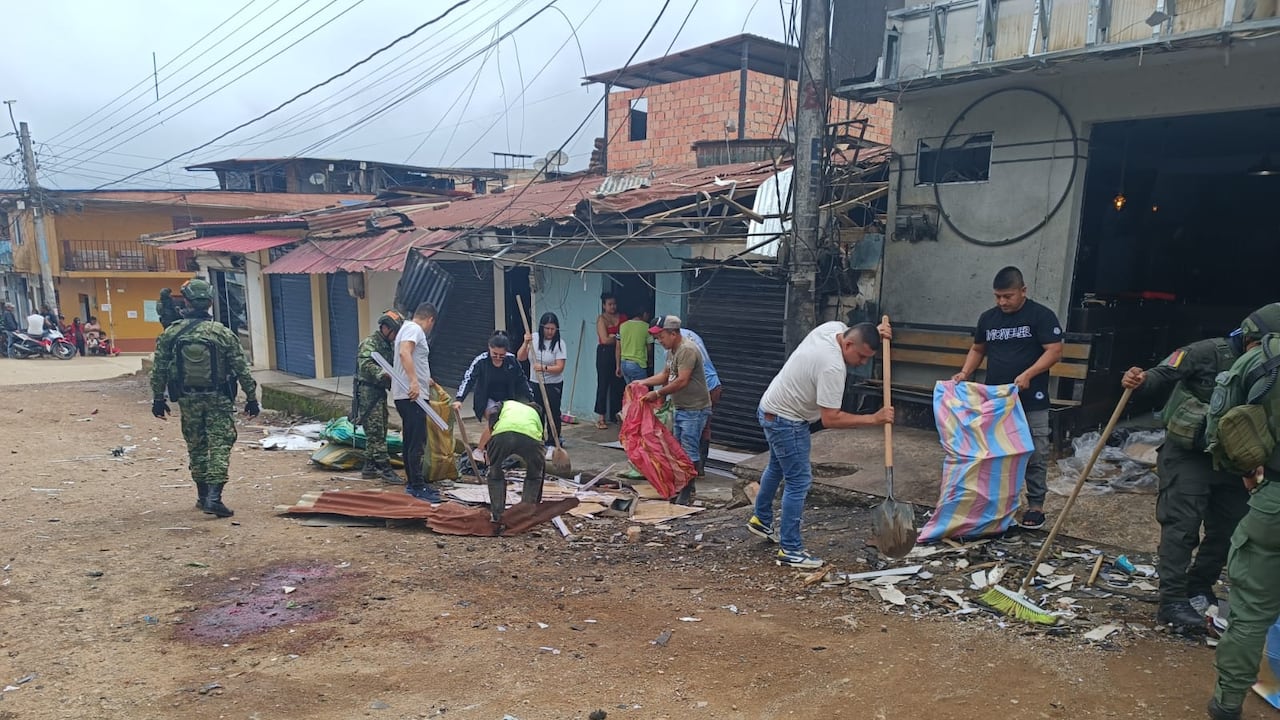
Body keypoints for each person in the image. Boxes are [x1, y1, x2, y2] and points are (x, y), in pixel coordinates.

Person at [1121, 319, 1261, 635]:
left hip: (1233, 458)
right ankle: (1172, 601)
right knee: (1181, 526)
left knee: (1229, 528)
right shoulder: (1207, 352)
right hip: (1189, 455)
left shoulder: (1270, 367)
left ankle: (1200, 586)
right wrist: (1140, 379)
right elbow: (1163, 372)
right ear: (1250, 338)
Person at [749, 320, 894, 569]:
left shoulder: (832, 328)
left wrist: (876, 332)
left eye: (867, 358)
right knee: (799, 481)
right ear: (848, 344)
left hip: (770, 408)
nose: (862, 363)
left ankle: (761, 520)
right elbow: (831, 419)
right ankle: (791, 549)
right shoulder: (832, 367)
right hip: (787, 421)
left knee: (777, 466)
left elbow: (855, 332)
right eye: (861, 356)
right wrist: (874, 418)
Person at [1205, 304, 1280, 720]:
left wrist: (1247, 474)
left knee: (1251, 610)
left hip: (1275, 500)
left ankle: (1228, 702)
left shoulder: (1260, 360)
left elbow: (1222, 425)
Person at [951, 266, 1063, 530]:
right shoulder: (988, 319)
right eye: (998, 296)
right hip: (997, 400)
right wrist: (965, 373)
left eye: (1008, 296)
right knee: (996, 453)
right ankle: (998, 503)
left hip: (1032, 399)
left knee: (1035, 453)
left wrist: (1029, 374)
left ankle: (1035, 505)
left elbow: (1054, 351)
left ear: (1023, 291)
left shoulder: (1041, 316)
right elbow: (978, 349)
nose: (1002, 302)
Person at [149, 279, 259, 518]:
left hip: (187, 399)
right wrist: (251, 398)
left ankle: (202, 496)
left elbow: (159, 369)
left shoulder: (171, 333)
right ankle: (214, 498)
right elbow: (241, 368)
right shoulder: (222, 333)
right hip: (219, 398)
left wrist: (158, 398)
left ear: (186, 301)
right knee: (220, 444)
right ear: (210, 302)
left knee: (196, 445)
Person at [635, 315, 711, 505]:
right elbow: (665, 375)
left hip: (694, 408)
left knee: (688, 450)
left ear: (673, 333)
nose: (659, 341)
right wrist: (642, 382)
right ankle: (683, 487)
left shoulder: (687, 350)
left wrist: (657, 393)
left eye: (661, 336)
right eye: (657, 337)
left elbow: (682, 380)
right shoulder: (672, 351)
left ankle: (687, 491)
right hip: (681, 406)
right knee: (677, 450)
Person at [393, 302, 442, 503]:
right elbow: (405, 352)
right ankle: (417, 486)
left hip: (406, 395)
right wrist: (414, 382)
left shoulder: (406, 328)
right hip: (413, 396)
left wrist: (423, 378)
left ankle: (413, 482)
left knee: (410, 439)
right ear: (430, 319)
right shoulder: (415, 329)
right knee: (417, 441)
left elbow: (411, 357)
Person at [476, 400, 546, 529]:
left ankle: (497, 516)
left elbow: (492, 412)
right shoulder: (535, 414)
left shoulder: (506, 404)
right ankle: (526, 514)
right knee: (534, 474)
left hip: (503, 434)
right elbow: (541, 445)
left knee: (495, 472)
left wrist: (491, 435)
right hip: (531, 438)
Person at [354, 310, 405, 484]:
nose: (396, 336)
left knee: (378, 429)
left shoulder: (388, 345)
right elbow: (365, 364)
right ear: (385, 328)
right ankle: (385, 469)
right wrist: (383, 373)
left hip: (379, 392)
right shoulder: (370, 343)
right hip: (368, 392)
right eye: (394, 332)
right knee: (376, 431)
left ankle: (369, 467)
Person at [454, 331, 535, 421]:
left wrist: (531, 398)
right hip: (487, 398)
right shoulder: (481, 361)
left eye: (502, 355)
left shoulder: (512, 360)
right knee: (493, 418)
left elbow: (522, 380)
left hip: (507, 398)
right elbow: (469, 380)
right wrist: (459, 399)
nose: (498, 357)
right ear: (489, 348)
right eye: (495, 354)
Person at [518, 312, 567, 447]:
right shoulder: (533, 338)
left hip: (553, 384)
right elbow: (520, 357)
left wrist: (543, 368)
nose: (550, 332)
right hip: (535, 382)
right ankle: (538, 439)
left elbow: (560, 367)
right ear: (542, 327)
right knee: (537, 412)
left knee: (553, 412)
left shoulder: (560, 344)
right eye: (547, 328)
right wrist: (525, 342)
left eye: (553, 329)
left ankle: (553, 441)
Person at [680, 325, 722, 477]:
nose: (659, 341)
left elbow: (679, 377)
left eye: (660, 337)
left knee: (690, 431)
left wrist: (660, 394)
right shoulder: (691, 334)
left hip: (702, 390)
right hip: (714, 386)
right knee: (704, 427)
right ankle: (700, 467)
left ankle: (690, 472)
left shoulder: (680, 347)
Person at [593, 292, 626, 429]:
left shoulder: (623, 317)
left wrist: (614, 337)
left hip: (620, 353)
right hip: (605, 353)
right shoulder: (601, 319)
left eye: (614, 304)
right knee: (603, 384)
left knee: (618, 385)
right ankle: (601, 417)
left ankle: (616, 415)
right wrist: (618, 339)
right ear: (604, 305)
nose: (613, 307)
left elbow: (625, 337)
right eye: (610, 304)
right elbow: (605, 340)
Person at [616, 305, 653, 385]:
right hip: (638, 364)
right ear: (645, 314)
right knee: (640, 390)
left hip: (624, 364)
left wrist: (618, 366)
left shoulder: (622, 326)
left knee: (630, 390)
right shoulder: (646, 327)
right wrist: (650, 361)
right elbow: (649, 348)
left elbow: (618, 348)